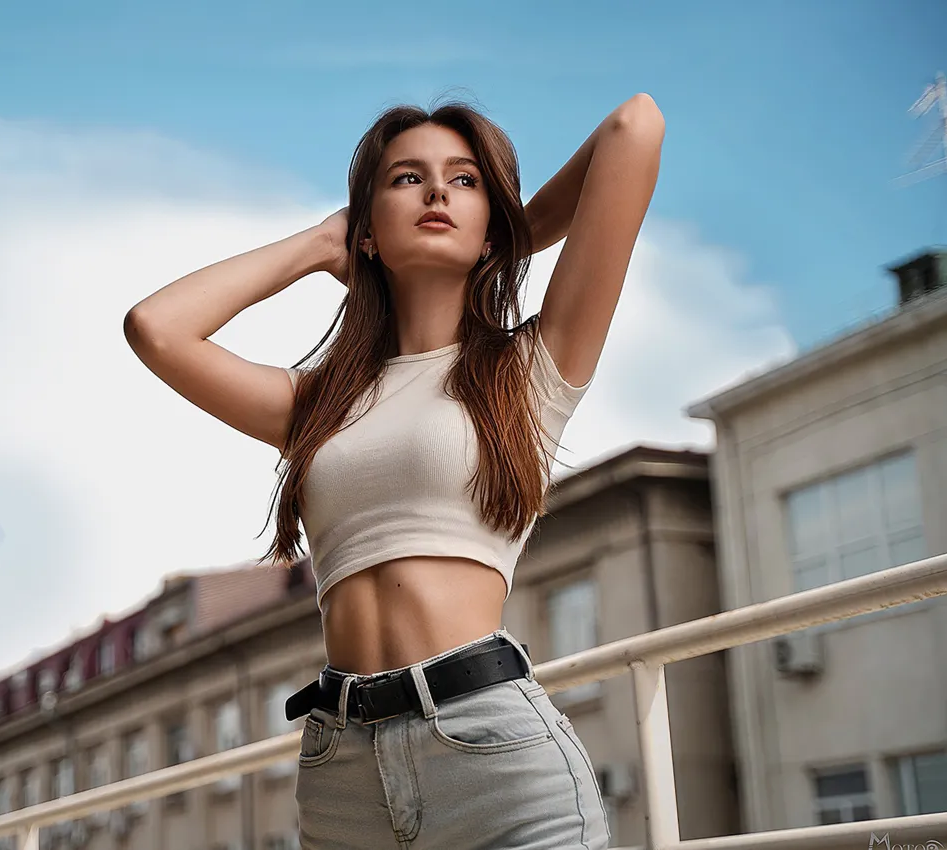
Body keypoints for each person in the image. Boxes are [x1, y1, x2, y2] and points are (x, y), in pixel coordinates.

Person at [124, 93, 663, 849]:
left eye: (465, 181)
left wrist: (509, 238)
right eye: (408, 178)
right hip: (341, 767)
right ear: (366, 230)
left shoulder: (528, 372)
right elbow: (155, 328)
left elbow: (633, 128)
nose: (439, 191)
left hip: (493, 752)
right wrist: (318, 243)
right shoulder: (315, 404)